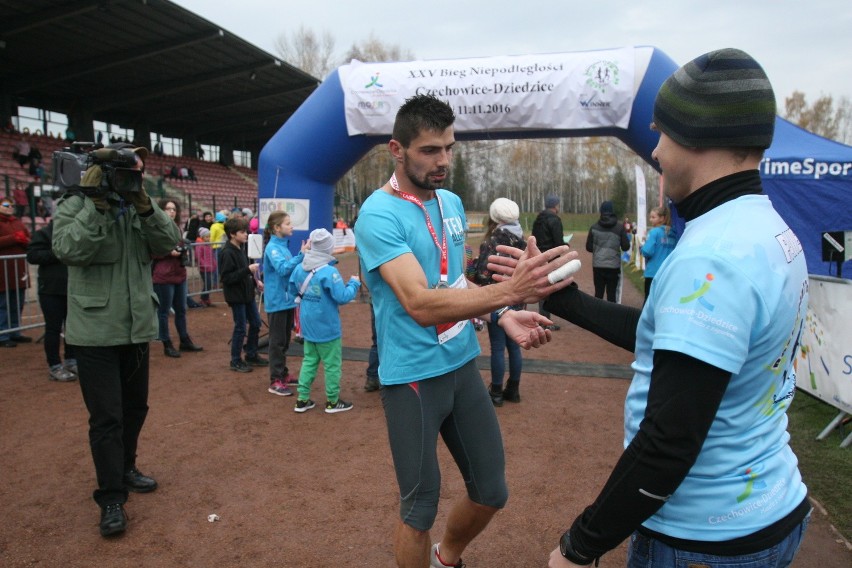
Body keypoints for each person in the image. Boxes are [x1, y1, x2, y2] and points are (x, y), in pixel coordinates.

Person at [537, 48, 811, 568]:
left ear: (697, 136)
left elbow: (668, 442)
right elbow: (670, 336)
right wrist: (562, 299)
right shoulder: (761, 226)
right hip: (766, 506)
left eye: (662, 132)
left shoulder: (714, 255)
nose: (656, 150)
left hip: (704, 539)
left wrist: (580, 545)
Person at [354, 94, 572, 568]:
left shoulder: (450, 202)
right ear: (397, 149)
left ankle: (446, 558)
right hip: (412, 378)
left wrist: (499, 315)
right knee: (419, 508)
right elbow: (419, 302)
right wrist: (509, 292)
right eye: (430, 150)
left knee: (492, 491)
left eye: (449, 148)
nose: (443, 161)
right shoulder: (378, 214)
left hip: (461, 368)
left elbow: (452, 282)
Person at [52, 143, 181, 537]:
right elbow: (69, 248)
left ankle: (125, 467)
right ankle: (111, 497)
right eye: (125, 173)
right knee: (107, 418)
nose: (131, 179)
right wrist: (96, 205)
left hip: (137, 328)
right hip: (94, 334)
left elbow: (169, 242)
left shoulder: (138, 208)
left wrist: (144, 203)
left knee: (136, 408)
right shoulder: (74, 205)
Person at [288, 228, 360, 413]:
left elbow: (291, 289)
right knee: (332, 364)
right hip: (327, 325)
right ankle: (333, 401)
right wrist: (354, 283)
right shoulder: (329, 272)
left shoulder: (300, 266)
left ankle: (302, 399)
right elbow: (342, 297)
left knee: (309, 360)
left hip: (308, 322)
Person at [472, 198, 526, 407]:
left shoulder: (492, 242)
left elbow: (483, 273)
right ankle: (513, 388)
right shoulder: (523, 240)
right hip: (518, 300)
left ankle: (496, 391)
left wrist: (473, 269)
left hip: (497, 299)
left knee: (497, 347)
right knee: (514, 345)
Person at [25, 220, 76, 381]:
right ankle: (54, 365)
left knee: (73, 328)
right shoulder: (45, 233)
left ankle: (71, 360)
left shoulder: (76, 232)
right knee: (53, 329)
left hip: (73, 289)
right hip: (50, 290)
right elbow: (32, 255)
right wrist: (58, 253)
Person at [151, 199, 203, 358]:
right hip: (163, 275)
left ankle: (184, 340)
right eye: (168, 209)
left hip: (179, 273)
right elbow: (151, 251)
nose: (172, 212)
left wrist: (182, 251)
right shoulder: (155, 229)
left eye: (174, 209)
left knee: (181, 309)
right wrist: (169, 252)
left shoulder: (177, 229)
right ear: (161, 211)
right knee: (164, 312)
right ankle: (166, 343)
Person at [263, 210, 306, 396]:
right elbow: (282, 269)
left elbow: (290, 269)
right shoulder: (272, 248)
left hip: (287, 301)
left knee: (285, 341)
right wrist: (301, 256)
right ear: (276, 228)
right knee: (277, 342)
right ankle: (276, 380)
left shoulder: (283, 246)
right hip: (278, 302)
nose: (291, 226)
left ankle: (283, 373)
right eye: (287, 223)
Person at [219, 215, 267, 373]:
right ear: (232, 234)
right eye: (242, 232)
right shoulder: (227, 252)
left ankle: (251, 354)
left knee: (255, 323)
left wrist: (255, 281)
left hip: (247, 293)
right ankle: (235, 359)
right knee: (240, 327)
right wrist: (247, 270)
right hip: (236, 296)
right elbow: (227, 278)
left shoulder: (241, 249)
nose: (246, 234)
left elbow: (245, 273)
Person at [0, 198, 32, 347]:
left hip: (18, 270)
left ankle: (16, 331)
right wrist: (13, 238)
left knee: (17, 302)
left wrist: (26, 241)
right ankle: (3, 334)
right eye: (6, 205)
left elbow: (29, 239)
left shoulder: (17, 222)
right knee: (3, 304)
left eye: (12, 205)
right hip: (2, 272)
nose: (10, 207)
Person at [531, 194, 564, 330]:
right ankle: (545, 322)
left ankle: (542, 319)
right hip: (550, 258)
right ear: (556, 205)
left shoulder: (538, 219)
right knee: (549, 288)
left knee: (542, 288)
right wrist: (564, 244)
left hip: (539, 256)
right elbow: (558, 242)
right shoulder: (555, 220)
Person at [586, 200, 629, 302]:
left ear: (601, 211)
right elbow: (626, 247)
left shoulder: (594, 227)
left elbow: (589, 247)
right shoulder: (619, 227)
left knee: (598, 294)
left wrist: (599, 250)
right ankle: (611, 317)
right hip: (613, 266)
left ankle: (596, 316)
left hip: (598, 265)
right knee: (612, 295)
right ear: (612, 211)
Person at [640, 205, 678, 299]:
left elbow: (647, 251)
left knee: (648, 301)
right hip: (667, 273)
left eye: (653, 217)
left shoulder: (654, 232)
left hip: (653, 272)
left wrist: (642, 247)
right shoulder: (673, 234)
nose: (650, 220)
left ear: (662, 218)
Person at [195, 227, 216, 307]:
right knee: (208, 284)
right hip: (203, 268)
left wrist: (214, 263)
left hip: (210, 267)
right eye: (207, 237)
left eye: (209, 236)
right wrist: (204, 264)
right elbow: (198, 256)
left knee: (209, 284)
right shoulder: (200, 245)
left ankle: (206, 298)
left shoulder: (208, 245)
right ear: (202, 237)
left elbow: (212, 255)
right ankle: (203, 298)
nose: (208, 238)